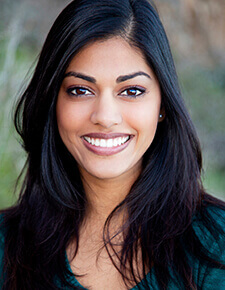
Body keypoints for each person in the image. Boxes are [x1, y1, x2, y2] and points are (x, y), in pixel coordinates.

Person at [0, 0, 225, 289]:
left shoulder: (216, 247)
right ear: (53, 102)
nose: (105, 117)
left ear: (162, 105)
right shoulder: (7, 248)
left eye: (132, 91)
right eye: (80, 90)